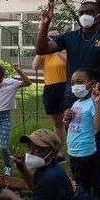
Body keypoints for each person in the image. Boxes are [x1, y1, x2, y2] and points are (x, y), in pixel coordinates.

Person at [36, 0, 100, 200]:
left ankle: (97, 194)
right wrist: (45, 25)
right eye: (82, 11)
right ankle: (79, 188)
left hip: (98, 98)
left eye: (89, 11)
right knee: (77, 141)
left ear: (99, 15)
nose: (85, 14)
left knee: (97, 144)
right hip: (73, 98)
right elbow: (41, 49)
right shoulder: (70, 37)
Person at [63, 68, 100, 195]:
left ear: (92, 84)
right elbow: (72, 125)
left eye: (80, 82)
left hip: (85, 154)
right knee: (78, 183)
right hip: (73, 151)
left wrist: (97, 104)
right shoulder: (76, 102)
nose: (75, 86)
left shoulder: (95, 103)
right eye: (73, 83)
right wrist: (66, 118)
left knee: (82, 188)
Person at [32, 26, 67, 160]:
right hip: (50, 88)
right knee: (58, 123)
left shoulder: (65, 50)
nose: (53, 39)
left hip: (65, 87)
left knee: (70, 122)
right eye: (50, 37)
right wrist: (40, 49)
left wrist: (57, 50)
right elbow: (35, 67)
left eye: (56, 37)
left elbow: (69, 64)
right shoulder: (45, 53)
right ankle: (58, 152)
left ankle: (76, 149)